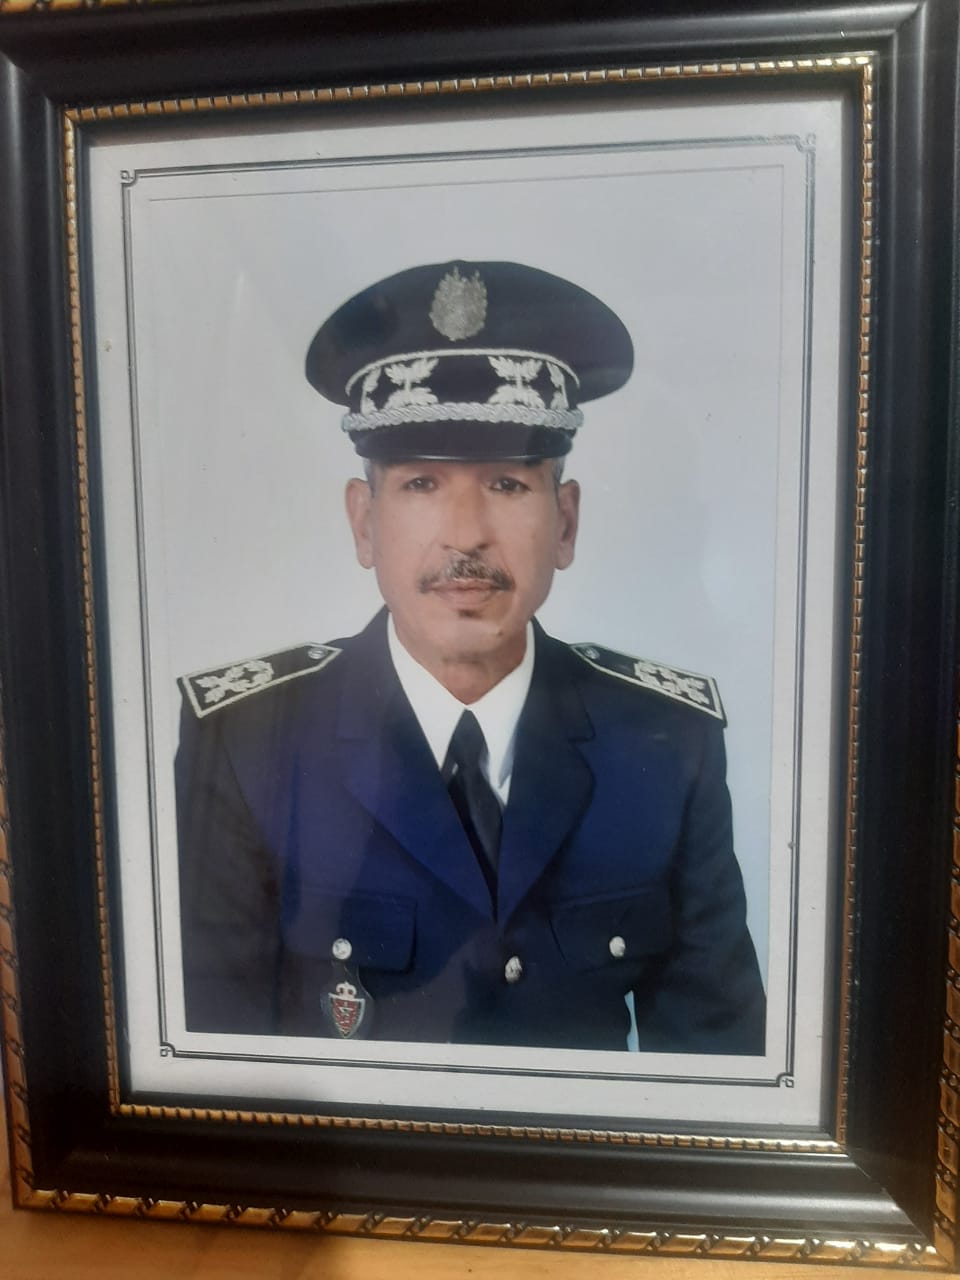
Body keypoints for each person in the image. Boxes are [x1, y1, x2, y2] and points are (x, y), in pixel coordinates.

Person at [175, 260, 765, 1053]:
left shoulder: (665, 744)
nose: (465, 535)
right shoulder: (247, 744)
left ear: (565, 523)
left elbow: (718, 1070)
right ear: (363, 523)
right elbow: (210, 1077)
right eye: (421, 483)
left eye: (507, 484)